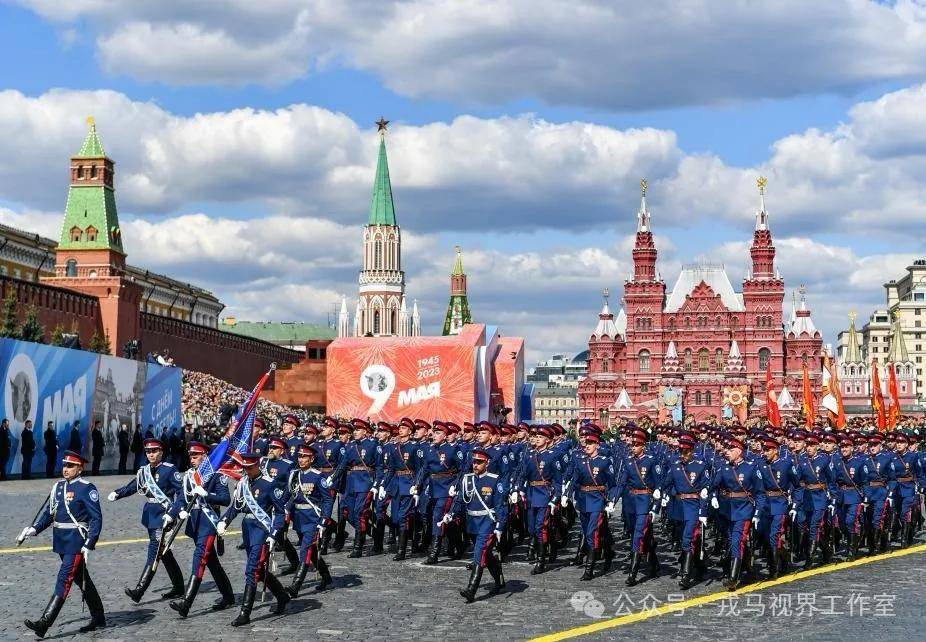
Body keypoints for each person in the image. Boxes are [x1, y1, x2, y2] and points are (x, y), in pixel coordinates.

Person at [18, 450, 105, 637]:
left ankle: (44, 623)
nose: (65, 469)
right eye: (64, 465)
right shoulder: (58, 487)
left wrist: (90, 542)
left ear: (80, 468)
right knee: (81, 579)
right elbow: (50, 514)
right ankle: (99, 616)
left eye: (70, 466)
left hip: (75, 541)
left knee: (64, 578)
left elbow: (96, 518)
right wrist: (35, 529)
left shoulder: (86, 488)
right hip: (61, 541)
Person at [216, 451, 290, 627]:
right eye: (245, 468)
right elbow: (235, 507)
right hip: (248, 529)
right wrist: (224, 521)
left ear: (257, 466)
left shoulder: (269, 484)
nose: (247, 471)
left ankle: (245, 612)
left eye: (250, 468)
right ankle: (282, 595)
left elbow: (280, 512)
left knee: (252, 569)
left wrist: (274, 534)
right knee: (259, 569)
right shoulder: (243, 483)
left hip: (261, 530)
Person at [109, 438, 186, 602]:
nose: (151, 454)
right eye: (148, 452)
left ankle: (139, 590)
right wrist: (118, 493)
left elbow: (181, 494)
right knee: (164, 553)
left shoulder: (169, 470)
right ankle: (179, 586)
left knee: (155, 551)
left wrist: (174, 512)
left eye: (154, 451)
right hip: (150, 515)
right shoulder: (144, 471)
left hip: (164, 516)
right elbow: (133, 486)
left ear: (161, 453)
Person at [164, 442, 236, 617]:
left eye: (195, 456)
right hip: (195, 523)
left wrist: (207, 495)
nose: (192, 459)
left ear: (205, 456)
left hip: (208, 523)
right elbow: (182, 498)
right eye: (191, 456)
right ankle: (228, 596)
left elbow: (225, 499)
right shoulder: (189, 475)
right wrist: (171, 514)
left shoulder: (216, 474)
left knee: (199, 559)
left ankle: (186, 603)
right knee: (211, 561)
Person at [443, 447, 507, 602]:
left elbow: (500, 505)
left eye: (479, 462)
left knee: (479, 552)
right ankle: (499, 579)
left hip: (487, 522)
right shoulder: (467, 479)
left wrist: (500, 525)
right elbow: (460, 500)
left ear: (486, 463)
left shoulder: (494, 480)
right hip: (472, 522)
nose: (476, 465)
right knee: (487, 555)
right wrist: (451, 513)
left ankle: (471, 589)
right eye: (474, 462)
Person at [286, 443, 335, 597]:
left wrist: (324, 519)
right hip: (299, 518)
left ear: (312, 459)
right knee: (312, 551)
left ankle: (295, 586)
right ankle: (326, 577)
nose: (301, 459)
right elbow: (292, 496)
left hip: (312, 519)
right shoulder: (295, 475)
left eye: (305, 457)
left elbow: (327, 500)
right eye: (299, 456)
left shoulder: (318, 476)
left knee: (305, 550)